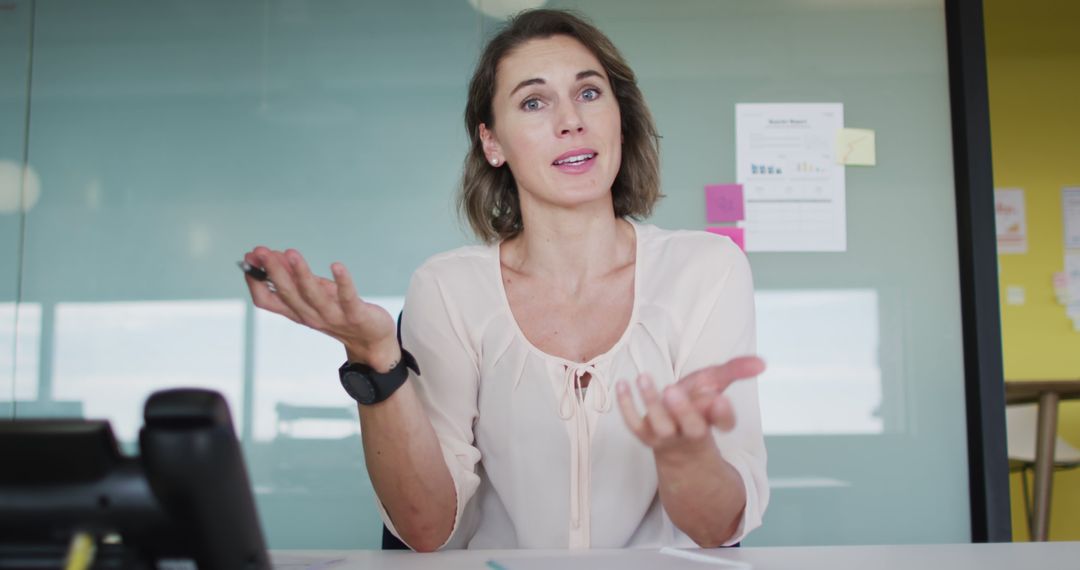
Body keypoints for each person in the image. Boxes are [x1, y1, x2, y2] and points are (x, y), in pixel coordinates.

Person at [241, 9, 767, 552]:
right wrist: (374, 357)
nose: (570, 120)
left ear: (619, 118)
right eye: (534, 102)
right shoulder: (446, 289)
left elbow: (715, 528)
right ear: (493, 144)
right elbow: (425, 530)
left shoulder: (707, 270)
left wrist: (685, 453)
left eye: (589, 93)